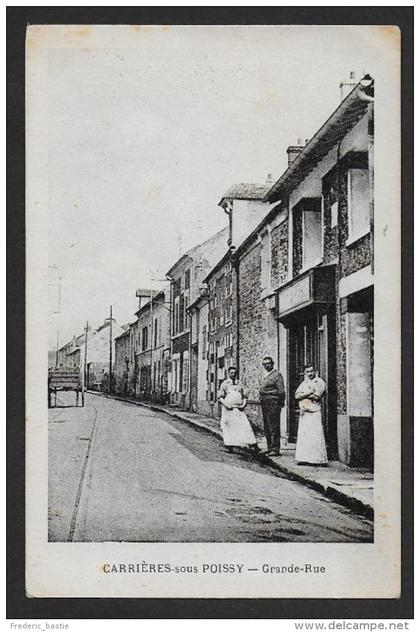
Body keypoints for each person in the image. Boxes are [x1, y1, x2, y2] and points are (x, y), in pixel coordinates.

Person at [217, 366, 260, 454]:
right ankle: (229, 446)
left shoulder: (240, 384)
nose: (233, 375)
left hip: (239, 409)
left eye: (235, 373)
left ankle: (254, 445)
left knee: (246, 426)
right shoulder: (225, 384)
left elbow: (245, 396)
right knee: (229, 427)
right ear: (228, 373)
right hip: (228, 409)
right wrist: (226, 405)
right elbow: (220, 397)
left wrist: (243, 405)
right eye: (231, 373)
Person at [294, 364, 328, 466]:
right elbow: (296, 395)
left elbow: (317, 396)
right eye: (307, 372)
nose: (309, 374)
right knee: (305, 435)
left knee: (315, 435)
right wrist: (309, 392)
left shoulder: (320, 382)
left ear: (315, 371)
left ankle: (317, 460)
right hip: (305, 412)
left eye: (311, 371)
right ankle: (304, 458)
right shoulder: (305, 383)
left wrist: (303, 395)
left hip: (314, 411)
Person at [259, 356, 285, 457]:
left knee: (274, 426)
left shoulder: (277, 375)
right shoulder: (265, 375)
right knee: (267, 426)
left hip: (273, 403)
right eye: (265, 364)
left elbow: (281, 391)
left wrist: (281, 402)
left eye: (269, 363)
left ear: (273, 363)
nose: (267, 365)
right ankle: (269, 447)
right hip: (264, 403)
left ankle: (275, 449)